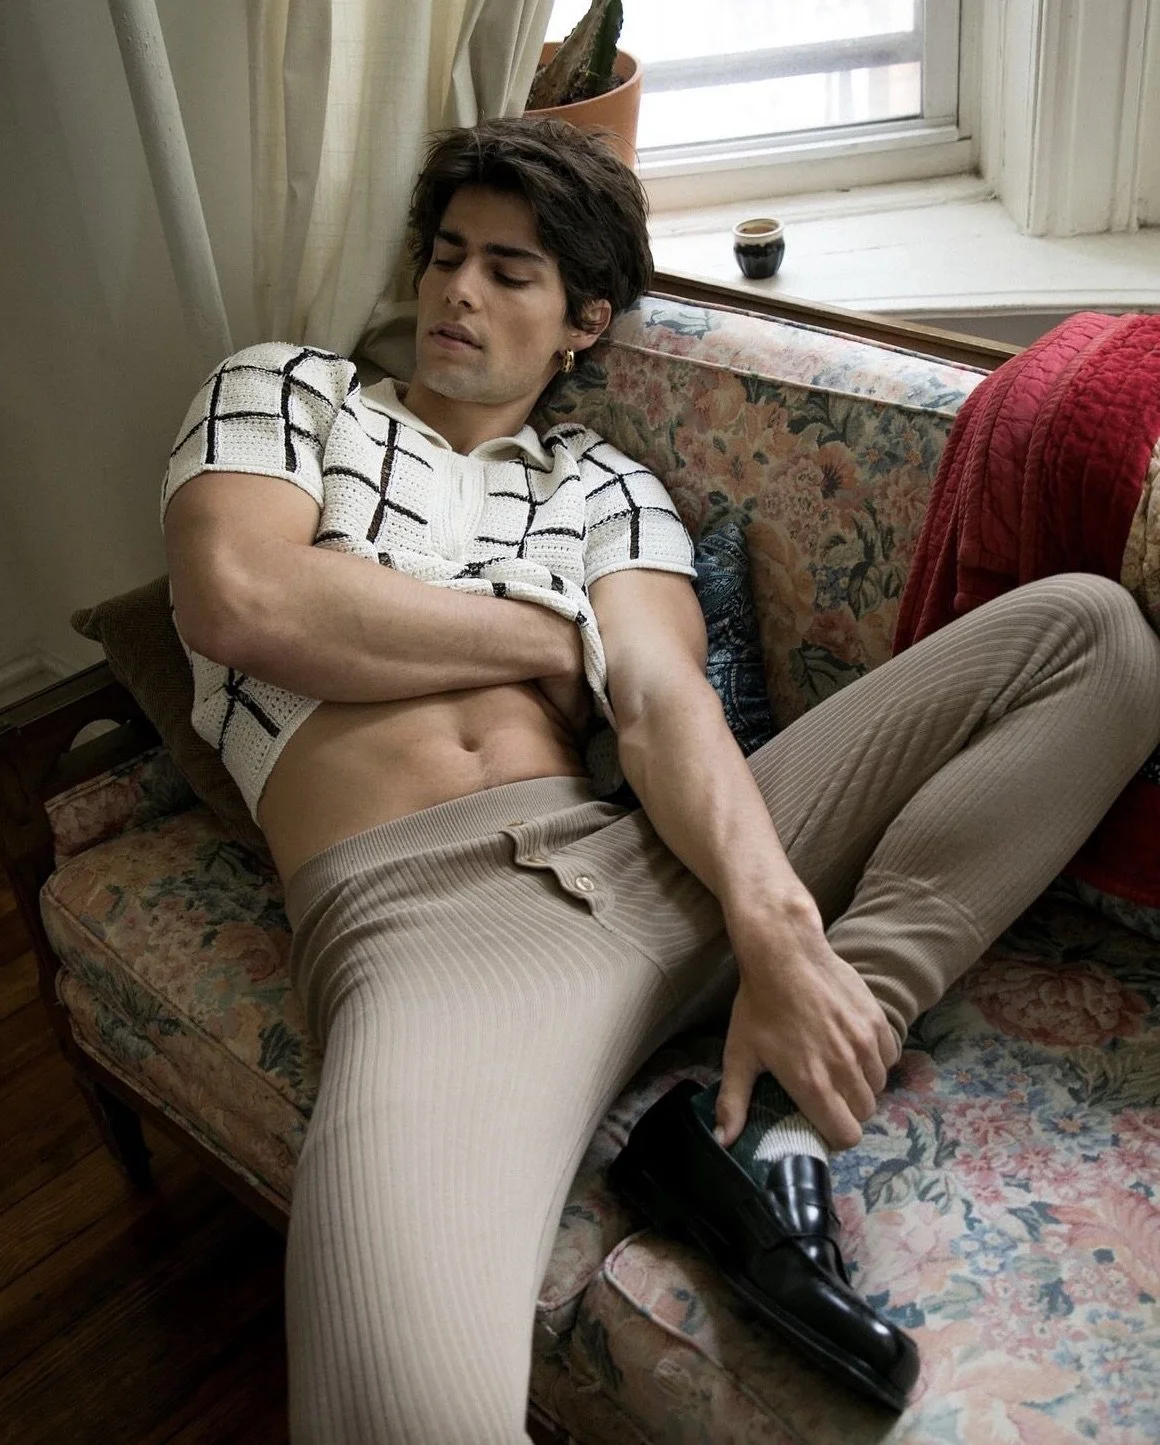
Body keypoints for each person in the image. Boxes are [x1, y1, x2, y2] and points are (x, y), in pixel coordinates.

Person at [161, 116, 1160, 1443]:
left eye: (511, 272)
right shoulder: (289, 391)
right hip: (434, 938)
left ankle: (776, 1118)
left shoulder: (610, 489)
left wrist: (781, 935)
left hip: (649, 871)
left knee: (1091, 636)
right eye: (449, 254)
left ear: (585, 319)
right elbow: (242, 596)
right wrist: (554, 630)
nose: (459, 291)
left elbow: (663, 700)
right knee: (392, 1416)